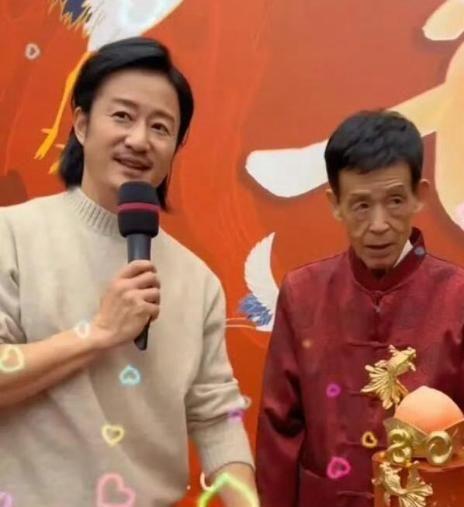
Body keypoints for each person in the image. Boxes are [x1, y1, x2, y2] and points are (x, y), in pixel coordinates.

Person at [0, 37, 255, 506]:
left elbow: (217, 418)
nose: (139, 140)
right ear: (82, 125)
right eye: (122, 116)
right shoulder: (11, 235)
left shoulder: (197, 281)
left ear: (175, 146)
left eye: (160, 127)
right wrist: (98, 333)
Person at [255, 110, 464, 506]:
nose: (379, 224)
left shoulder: (458, 296)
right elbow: (279, 430)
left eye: (395, 200)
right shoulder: (303, 294)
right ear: (335, 203)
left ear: (419, 195)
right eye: (361, 205)